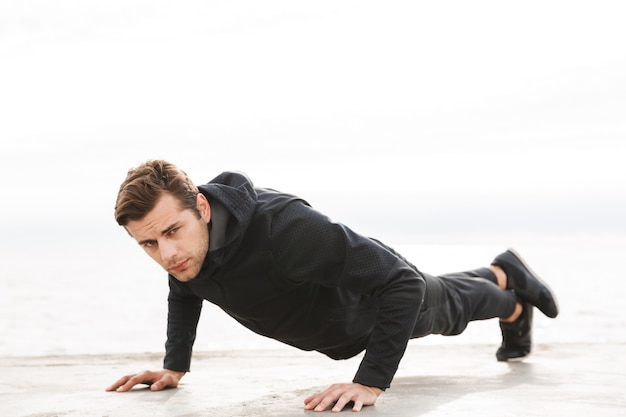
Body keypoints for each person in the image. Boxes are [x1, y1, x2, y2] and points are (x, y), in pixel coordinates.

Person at [106, 160, 559, 413]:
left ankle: (511, 304)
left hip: (374, 302)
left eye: (171, 232)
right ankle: (503, 270)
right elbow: (186, 287)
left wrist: (370, 383)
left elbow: (401, 286)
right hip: (340, 322)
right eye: (148, 243)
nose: (166, 255)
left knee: (447, 308)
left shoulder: (286, 229)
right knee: (443, 291)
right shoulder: (187, 249)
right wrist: (175, 366)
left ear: (202, 207)